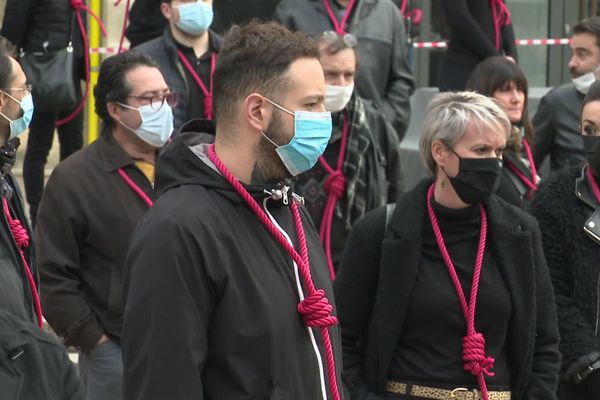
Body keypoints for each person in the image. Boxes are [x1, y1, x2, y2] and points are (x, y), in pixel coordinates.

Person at [122, 22, 346, 400]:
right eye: (310, 105)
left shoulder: (285, 204)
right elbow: (163, 383)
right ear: (257, 111)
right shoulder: (177, 230)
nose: (325, 118)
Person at [335, 91, 560, 400]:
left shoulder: (521, 231)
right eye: (481, 149)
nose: (494, 163)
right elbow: (341, 341)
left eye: (499, 151)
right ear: (440, 152)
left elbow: (544, 342)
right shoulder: (378, 232)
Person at [35, 52, 171, 400]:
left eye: (166, 97)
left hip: (186, 343)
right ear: (115, 110)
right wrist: (93, 338)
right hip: (116, 349)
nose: (163, 108)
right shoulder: (75, 178)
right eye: (149, 99)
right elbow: (53, 273)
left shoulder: (184, 165)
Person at [294, 32, 402, 278]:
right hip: (296, 258)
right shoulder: (288, 120)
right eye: (330, 74)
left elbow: (396, 188)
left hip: (355, 263)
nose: (341, 84)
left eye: (348, 75)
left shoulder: (374, 125)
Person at [531, 80, 600, 400]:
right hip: (576, 377)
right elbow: (549, 289)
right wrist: (588, 363)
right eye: (590, 129)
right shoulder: (554, 197)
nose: (595, 140)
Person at [274, 0, 414, 139]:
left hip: (368, 138)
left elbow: (400, 81)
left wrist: (385, 123)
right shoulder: (291, 10)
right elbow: (277, 78)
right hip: (305, 136)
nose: (341, 83)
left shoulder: (388, 12)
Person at [1, 0, 86, 225]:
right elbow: (11, 36)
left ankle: (73, 208)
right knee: (39, 149)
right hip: (42, 77)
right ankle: (38, 215)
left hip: (70, 77)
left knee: (75, 147)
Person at [133, 0, 221, 132]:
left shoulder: (237, 55)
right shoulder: (142, 59)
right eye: (188, 0)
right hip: (172, 150)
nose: (198, 5)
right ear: (166, 10)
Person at [466, 56, 538, 209]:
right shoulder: (474, 154)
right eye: (505, 89)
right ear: (483, 94)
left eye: (520, 89)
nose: (516, 98)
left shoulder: (519, 144)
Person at [533, 17, 600, 172]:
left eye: (582, 54)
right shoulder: (556, 102)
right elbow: (528, 165)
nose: (572, 63)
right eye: (589, 130)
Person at [438, 0, 517, 92]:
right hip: (464, 69)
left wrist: (512, 58)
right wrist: (498, 60)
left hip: (493, 71)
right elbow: (459, 17)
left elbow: (504, 16)